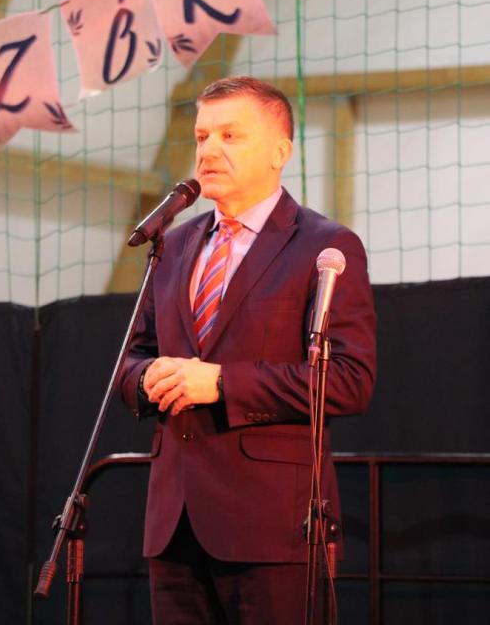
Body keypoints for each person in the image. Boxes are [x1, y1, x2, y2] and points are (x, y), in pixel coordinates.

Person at [121, 76, 376, 624]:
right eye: (202, 136)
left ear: (280, 152)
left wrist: (219, 383)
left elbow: (349, 379)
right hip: (173, 525)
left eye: (230, 135)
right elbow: (131, 359)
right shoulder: (172, 245)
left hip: (272, 527)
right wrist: (145, 379)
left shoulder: (324, 246)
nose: (209, 150)